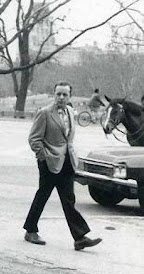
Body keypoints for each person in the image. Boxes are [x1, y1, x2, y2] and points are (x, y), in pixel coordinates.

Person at [23, 81, 102, 251]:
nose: (61, 97)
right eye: (58, 94)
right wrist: (43, 157)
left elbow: (68, 138)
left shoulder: (70, 112)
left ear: (69, 96)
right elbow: (34, 139)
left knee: (68, 200)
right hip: (49, 163)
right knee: (43, 195)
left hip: (67, 162)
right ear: (54, 94)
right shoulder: (44, 113)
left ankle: (79, 238)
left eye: (65, 94)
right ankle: (30, 231)